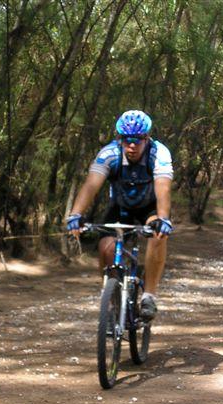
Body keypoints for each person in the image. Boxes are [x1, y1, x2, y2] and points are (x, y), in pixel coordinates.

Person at [66, 110, 173, 319]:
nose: (131, 145)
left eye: (137, 141)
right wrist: (75, 215)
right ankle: (113, 295)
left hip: (149, 209)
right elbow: (91, 185)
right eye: (126, 140)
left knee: (158, 235)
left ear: (146, 138)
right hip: (121, 208)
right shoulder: (109, 154)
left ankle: (149, 295)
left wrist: (163, 219)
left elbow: (164, 188)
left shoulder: (159, 154)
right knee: (105, 247)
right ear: (120, 139)